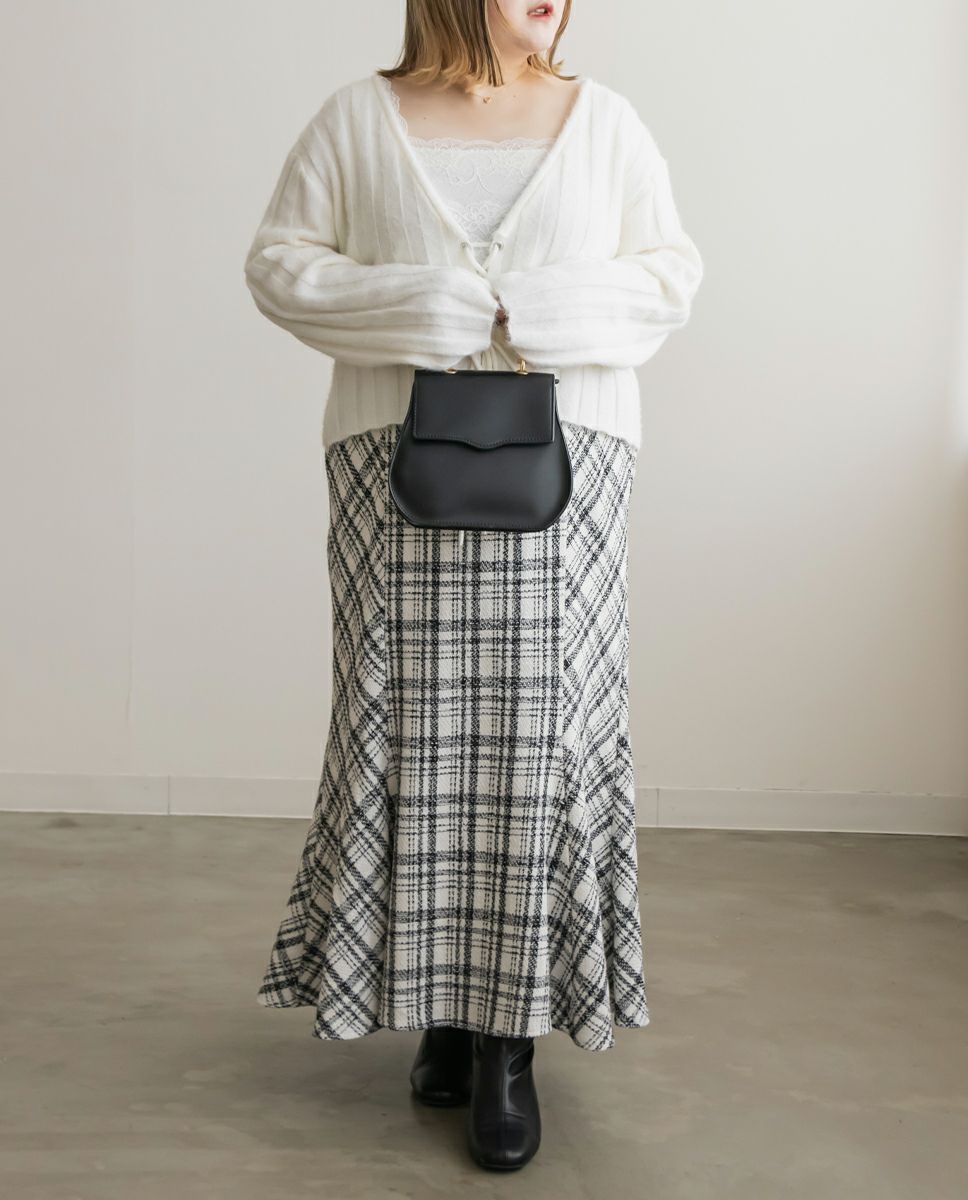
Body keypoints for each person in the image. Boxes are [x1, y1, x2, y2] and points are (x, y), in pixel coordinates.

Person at [242, 0, 703, 1173]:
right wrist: (434, 308)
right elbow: (281, 266)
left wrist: (530, 311)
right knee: (413, 736)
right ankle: (441, 1011)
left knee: (540, 744)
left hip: (572, 460)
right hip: (393, 459)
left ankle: (507, 1042)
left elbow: (668, 278)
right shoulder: (358, 119)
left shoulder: (605, 124)